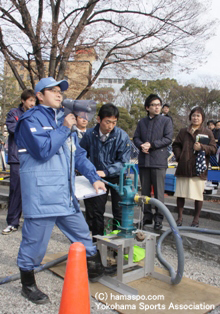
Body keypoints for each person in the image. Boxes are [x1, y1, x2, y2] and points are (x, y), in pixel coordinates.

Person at [14, 77, 107, 304]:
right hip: (42, 195)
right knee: (34, 244)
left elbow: (78, 155)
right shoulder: (30, 120)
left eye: (60, 91)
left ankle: (94, 269)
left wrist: (94, 177)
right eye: (53, 90)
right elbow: (43, 151)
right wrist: (65, 127)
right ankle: (27, 284)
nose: (59, 94)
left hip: (64, 195)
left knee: (82, 233)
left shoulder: (63, 119)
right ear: (39, 95)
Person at [80, 103, 131, 236]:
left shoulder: (122, 136)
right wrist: (89, 172)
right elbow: (81, 156)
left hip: (117, 177)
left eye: (114, 123)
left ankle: (117, 243)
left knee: (119, 211)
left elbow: (124, 162)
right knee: (96, 212)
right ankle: (97, 243)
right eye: (107, 122)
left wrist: (107, 171)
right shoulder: (89, 135)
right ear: (99, 119)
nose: (110, 126)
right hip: (97, 177)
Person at [133, 94, 173, 230]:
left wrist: (151, 145)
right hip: (144, 161)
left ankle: (159, 218)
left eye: (158, 105)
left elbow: (168, 139)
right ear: (147, 107)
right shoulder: (142, 122)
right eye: (153, 105)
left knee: (158, 192)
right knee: (144, 192)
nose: (157, 107)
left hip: (158, 161)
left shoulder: (166, 121)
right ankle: (147, 216)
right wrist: (141, 145)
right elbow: (136, 137)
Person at [172, 106, 216, 227]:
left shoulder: (207, 132)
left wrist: (202, 147)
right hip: (184, 167)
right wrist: (179, 156)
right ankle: (179, 218)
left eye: (198, 115)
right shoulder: (183, 131)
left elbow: (213, 148)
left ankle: (195, 220)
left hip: (199, 169)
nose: (195, 118)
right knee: (180, 194)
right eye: (193, 115)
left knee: (198, 195)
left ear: (202, 118)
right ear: (190, 117)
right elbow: (175, 145)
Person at [2, 89, 36, 235]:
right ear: (23, 100)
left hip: (33, 157)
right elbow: (12, 128)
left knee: (33, 191)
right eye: (30, 100)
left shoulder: (36, 114)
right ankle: (13, 222)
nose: (32, 103)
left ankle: (31, 222)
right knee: (16, 190)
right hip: (17, 158)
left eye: (34, 101)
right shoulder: (14, 113)